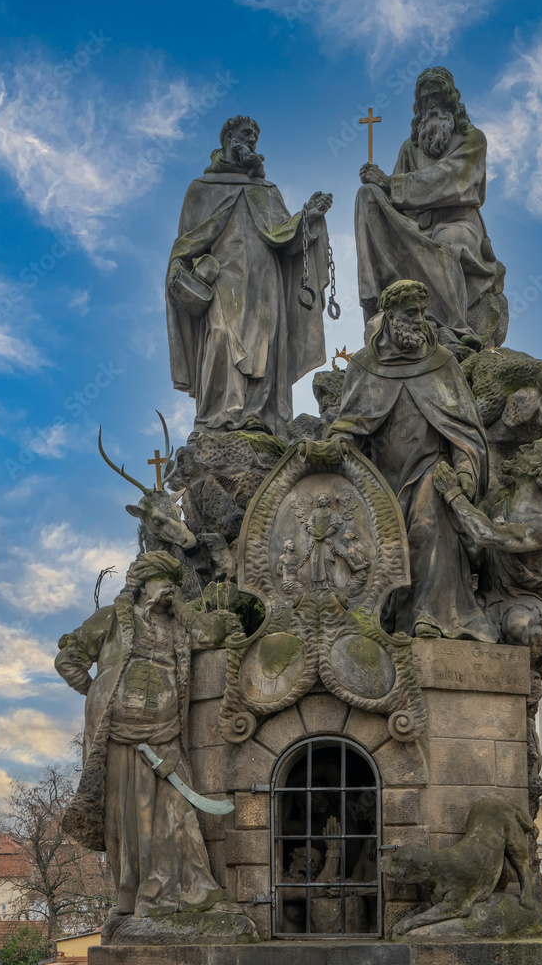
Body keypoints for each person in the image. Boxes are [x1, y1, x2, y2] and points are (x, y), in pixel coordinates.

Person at [55, 551, 242, 937]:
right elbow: (68, 659)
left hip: (165, 735)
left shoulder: (178, 624)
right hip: (121, 738)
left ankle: (195, 892)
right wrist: (99, 696)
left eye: (173, 581)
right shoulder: (111, 619)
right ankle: (136, 899)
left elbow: (212, 635)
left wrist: (188, 611)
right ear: (142, 583)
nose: (169, 588)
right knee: (129, 822)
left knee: (180, 816)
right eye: (162, 580)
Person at [330, 279, 494, 641]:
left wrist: (466, 469)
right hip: (380, 480)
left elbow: (464, 429)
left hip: (430, 469)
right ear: (389, 316)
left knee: (427, 524)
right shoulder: (365, 366)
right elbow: (349, 423)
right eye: (410, 313)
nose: (419, 319)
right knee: (379, 544)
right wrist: (339, 441)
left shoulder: (442, 364)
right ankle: (381, 618)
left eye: (421, 311)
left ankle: (428, 616)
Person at [166, 115, 333, 438]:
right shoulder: (201, 189)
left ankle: (260, 414)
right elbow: (185, 241)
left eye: (255, 136)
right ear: (227, 138)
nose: (252, 140)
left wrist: (308, 218)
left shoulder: (266, 191)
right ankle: (220, 414)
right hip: (223, 277)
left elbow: (284, 235)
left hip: (264, 277)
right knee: (219, 336)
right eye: (246, 134)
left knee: (265, 344)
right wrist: (179, 268)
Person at [355, 67, 502, 344]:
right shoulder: (409, 149)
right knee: (367, 195)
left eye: (436, 96)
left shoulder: (472, 139)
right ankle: (379, 305)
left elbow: (453, 179)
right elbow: (394, 199)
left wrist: (390, 183)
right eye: (425, 99)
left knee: (445, 243)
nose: (431, 104)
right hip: (415, 226)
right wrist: (378, 187)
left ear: (450, 101)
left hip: (459, 224)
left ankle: (455, 330)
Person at [433, 438, 542, 645]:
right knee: (445, 618)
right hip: (485, 595)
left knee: (518, 628)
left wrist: (453, 494)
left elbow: (488, 535)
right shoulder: (500, 498)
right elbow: (475, 549)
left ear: (537, 468)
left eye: (531, 448)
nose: (522, 446)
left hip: (521, 599)